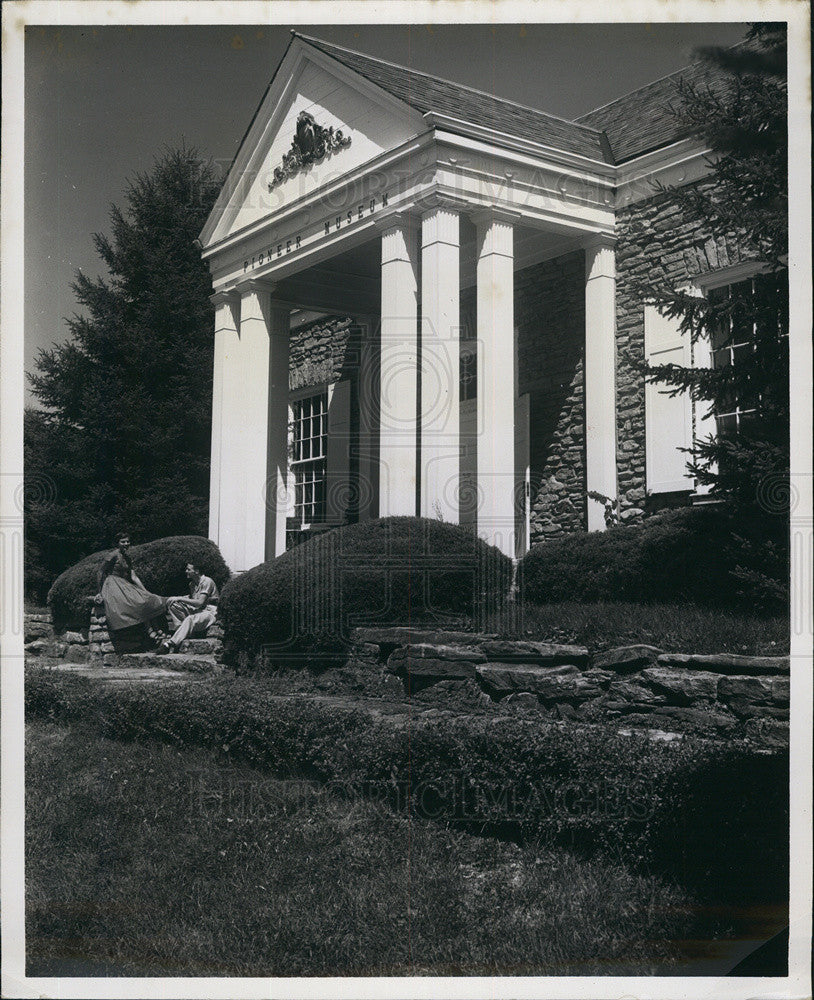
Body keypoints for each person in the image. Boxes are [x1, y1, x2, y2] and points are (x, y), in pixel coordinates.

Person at [96, 533, 168, 645]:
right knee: (137, 602)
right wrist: (100, 591)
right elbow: (101, 572)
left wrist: (145, 591)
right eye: (123, 542)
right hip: (112, 584)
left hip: (124, 584)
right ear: (117, 543)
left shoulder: (127, 558)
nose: (126, 544)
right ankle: (150, 630)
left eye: (127, 541)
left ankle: (157, 628)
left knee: (148, 599)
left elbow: (134, 576)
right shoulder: (112, 555)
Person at [159, 562, 219, 654]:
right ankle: (182, 631)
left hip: (209, 612)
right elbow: (192, 599)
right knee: (173, 604)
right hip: (197, 611)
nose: (186, 571)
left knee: (190, 619)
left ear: (196, 571)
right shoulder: (192, 584)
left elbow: (199, 602)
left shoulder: (207, 581)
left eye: (188, 569)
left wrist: (180, 598)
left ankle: (170, 644)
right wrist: (175, 598)